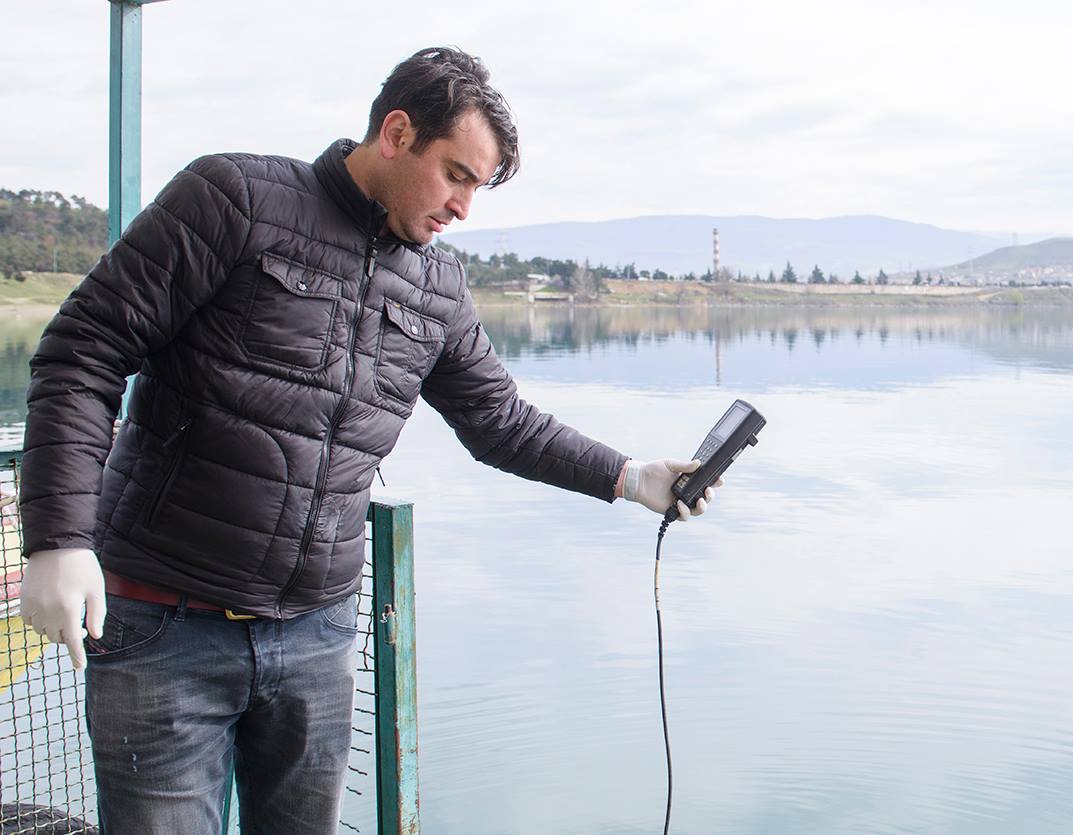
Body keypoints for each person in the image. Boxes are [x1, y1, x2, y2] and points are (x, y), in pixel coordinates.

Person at [18, 47, 718, 834]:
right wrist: (58, 540)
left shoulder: (437, 287)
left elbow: (501, 423)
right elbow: (83, 351)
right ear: (396, 133)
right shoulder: (233, 199)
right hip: (164, 624)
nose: (463, 208)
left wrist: (631, 476)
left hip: (315, 638)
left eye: (478, 187)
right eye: (455, 175)